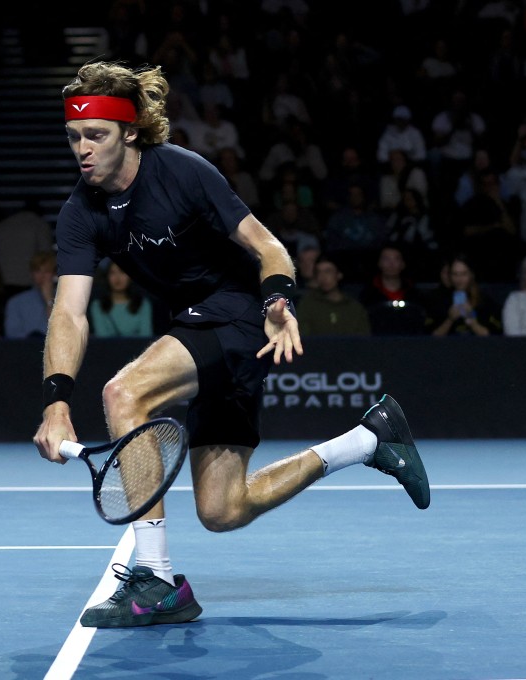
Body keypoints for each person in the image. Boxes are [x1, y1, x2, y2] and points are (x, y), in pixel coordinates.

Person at [34, 62, 430, 629]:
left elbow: (268, 246)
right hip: (200, 330)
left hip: (241, 314)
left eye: (95, 134)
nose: (82, 149)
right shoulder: (81, 212)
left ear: (130, 130)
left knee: (126, 393)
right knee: (223, 509)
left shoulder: (183, 172)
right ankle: (368, 439)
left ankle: (155, 581)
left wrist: (279, 302)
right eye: (73, 136)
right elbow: (69, 313)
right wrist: (55, 400)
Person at [427, 254, 503, 336]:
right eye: (455, 274)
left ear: (471, 275)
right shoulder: (439, 300)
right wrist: (450, 319)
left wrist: (471, 320)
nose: (459, 279)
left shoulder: (484, 301)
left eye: (464, 274)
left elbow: (494, 337)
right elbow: (429, 338)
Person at [294, 255, 371, 336]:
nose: (322, 277)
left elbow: (364, 341)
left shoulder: (355, 308)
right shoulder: (307, 305)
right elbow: (304, 339)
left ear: (339, 275)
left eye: (328, 271)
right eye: (319, 272)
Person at [88, 260, 154, 338]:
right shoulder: (97, 305)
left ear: (130, 276)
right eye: (112, 273)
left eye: (122, 272)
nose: (117, 278)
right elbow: (102, 339)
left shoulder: (143, 304)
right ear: (107, 276)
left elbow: (145, 337)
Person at [4, 251, 56, 339]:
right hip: (25, 349)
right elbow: (12, 334)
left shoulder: (66, 299)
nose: (42, 276)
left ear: (54, 274)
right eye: (38, 271)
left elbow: (62, 331)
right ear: (32, 274)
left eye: (47, 271)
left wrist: (49, 299)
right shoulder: (16, 302)